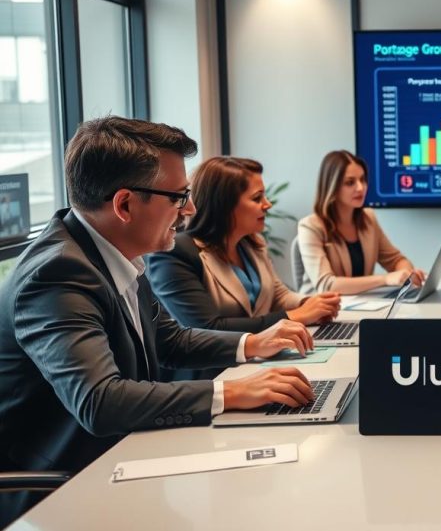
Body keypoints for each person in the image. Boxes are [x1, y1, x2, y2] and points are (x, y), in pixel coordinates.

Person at [0, 117, 317, 526]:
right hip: (61, 492)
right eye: (179, 196)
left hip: (122, 458)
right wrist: (231, 391)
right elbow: (100, 402)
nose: (190, 209)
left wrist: (252, 345)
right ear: (125, 204)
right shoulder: (58, 274)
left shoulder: (109, 251)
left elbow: (170, 339)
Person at [146, 156, 341, 380]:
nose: (267, 204)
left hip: (257, 363)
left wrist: (309, 304)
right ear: (224, 205)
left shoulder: (251, 243)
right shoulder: (175, 253)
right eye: (257, 198)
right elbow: (206, 326)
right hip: (211, 376)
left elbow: (277, 293)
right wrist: (295, 315)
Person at [297, 150, 425, 295]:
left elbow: (395, 260)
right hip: (319, 312)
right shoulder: (310, 226)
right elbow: (326, 285)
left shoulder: (368, 219)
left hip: (359, 307)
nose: (361, 187)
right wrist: (385, 279)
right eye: (350, 183)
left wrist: (406, 273)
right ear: (332, 187)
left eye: (363, 179)